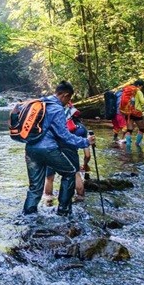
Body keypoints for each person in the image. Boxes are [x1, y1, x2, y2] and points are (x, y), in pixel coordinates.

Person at [23, 81, 94, 217]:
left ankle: (28, 215)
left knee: (35, 185)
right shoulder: (56, 108)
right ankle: (63, 211)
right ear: (65, 95)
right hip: (48, 149)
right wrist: (85, 141)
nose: (68, 102)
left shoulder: (40, 104)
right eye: (69, 99)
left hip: (30, 148)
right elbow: (64, 135)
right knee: (70, 172)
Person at [43, 95, 91, 204]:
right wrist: (85, 164)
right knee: (76, 173)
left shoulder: (56, 124)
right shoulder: (82, 129)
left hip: (53, 151)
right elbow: (87, 155)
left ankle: (48, 200)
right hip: (71, 153)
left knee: (49, 177)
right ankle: (80, 197)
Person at [122, 79, 144, 148]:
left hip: (128, 112)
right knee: (141, 129)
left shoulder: (127, 91)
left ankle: (128, 146)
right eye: (141, 86)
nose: (141, 88)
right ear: (138, 85)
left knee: (129, 130)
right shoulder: (138, 91)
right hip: (137, 112)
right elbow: (143, 102)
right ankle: (137, 144)